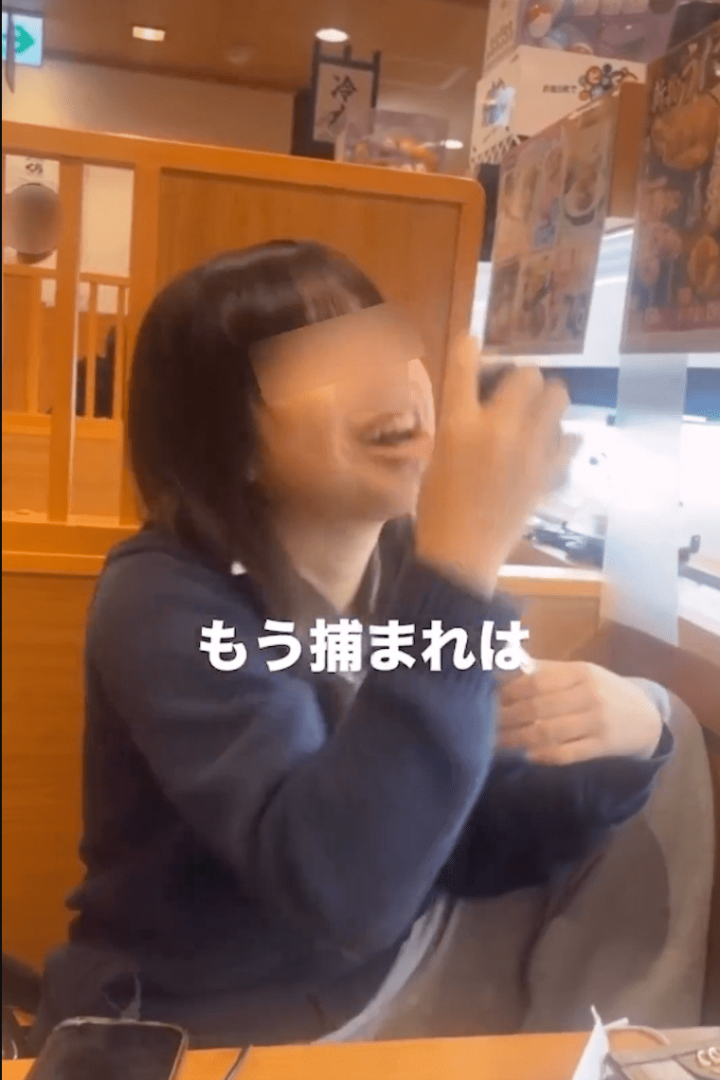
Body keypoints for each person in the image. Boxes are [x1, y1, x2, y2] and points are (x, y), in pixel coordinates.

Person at [31, 241, 710, 1050]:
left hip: (374, 964)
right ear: (228, 441)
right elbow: (341, 890)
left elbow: (469, 840)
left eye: (387, 345)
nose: (391, 380)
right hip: (223, 1021)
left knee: (660, 731)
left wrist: (627, 747)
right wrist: (461, 568)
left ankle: (618, 1061)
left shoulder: (401, 565)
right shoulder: (163, 598)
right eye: (324, 361)